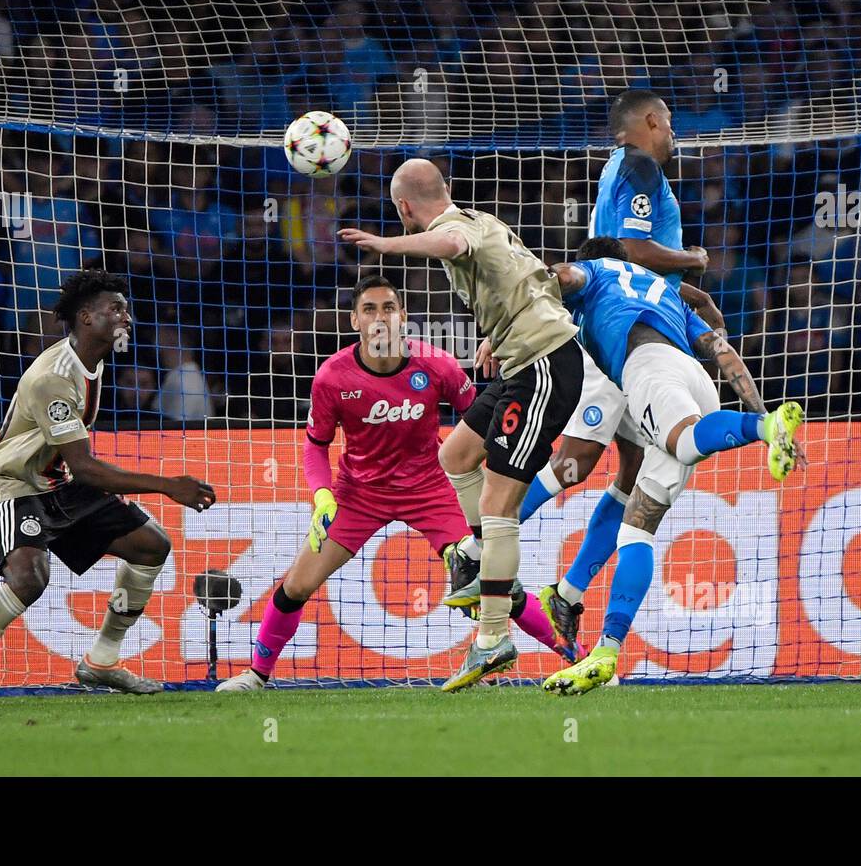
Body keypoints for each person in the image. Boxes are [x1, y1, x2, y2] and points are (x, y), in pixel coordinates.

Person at [216, 276, 572, 692]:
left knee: (492, 581)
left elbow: (483, 422)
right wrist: (322, 496)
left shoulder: (437, 365)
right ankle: (256, 675)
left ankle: (578, 658)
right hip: (358, 495)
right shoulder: (332, 377)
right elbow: (315, 448)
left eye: (389, 308)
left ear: (404, 316)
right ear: (354, 320)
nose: (380, 317)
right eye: (370, 309)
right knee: (296, 585)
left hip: (432, 490)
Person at [340, 159, 585, 691]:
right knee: (453, 456)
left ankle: (493, 638)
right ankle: (477, 558)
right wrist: (500, 331)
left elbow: (449, 246)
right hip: (520, 357)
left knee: (499, 506)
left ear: (404, 207)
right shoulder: (484, 218)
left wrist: (385, 246)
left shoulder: (451, 231)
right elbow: (532, 276)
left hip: (543, 365)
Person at [0, 270, 215, 703]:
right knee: (29, 578)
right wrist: (169, 485)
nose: (125, 317)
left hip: (56, 480)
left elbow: (75, 466)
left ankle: (102, 660)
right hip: (13, 482)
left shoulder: (91, 360)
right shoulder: (53, 377)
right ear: (85, 317)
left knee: (150, 545)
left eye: (126, 309)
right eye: (115, 308)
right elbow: (87, 466)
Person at [541, 236, 804, 695]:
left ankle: (761, 427)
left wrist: (525, 292)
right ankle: (605, 651)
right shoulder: (662, 290)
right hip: (697, 379)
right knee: (636, 529)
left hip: (650, 370)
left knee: (682, 441)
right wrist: (760, 404)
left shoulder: (595, 273)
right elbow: (722, 350)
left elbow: (563, 276)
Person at [520, 89, 712, 655]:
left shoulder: (614, 169)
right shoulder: (641, 165)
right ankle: (479, 544)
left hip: (642, 321)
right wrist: (694, 259)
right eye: (671, 122)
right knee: (577, 459)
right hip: (625, 338)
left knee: (629, 474)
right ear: (651, 121)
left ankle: (569, 592)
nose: (674, 133)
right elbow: (634, 249)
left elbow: (629, 263)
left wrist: (688, 296)